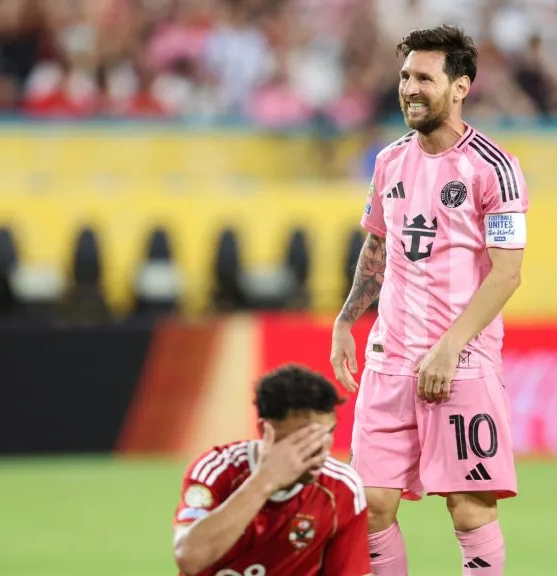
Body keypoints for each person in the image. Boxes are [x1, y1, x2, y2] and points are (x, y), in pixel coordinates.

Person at [330, 26, 529, 576]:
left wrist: (449, 347)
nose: (409, 89)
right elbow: (378, 245)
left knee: (469, 509)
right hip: (390, 359)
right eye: (404, 77)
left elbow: (507, 274)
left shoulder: (495, 168)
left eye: (424, 78)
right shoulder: (388, 161)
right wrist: (347, 319)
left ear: (460, 86)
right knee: (370, 507)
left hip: (461, 362)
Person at [172, 364, 371, 576]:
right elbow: (189, 559)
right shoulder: (217, 470)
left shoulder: (341, 488)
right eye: (305, 437)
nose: (319, 449)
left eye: (327, 433)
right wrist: (265, 481)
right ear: (264, 430)